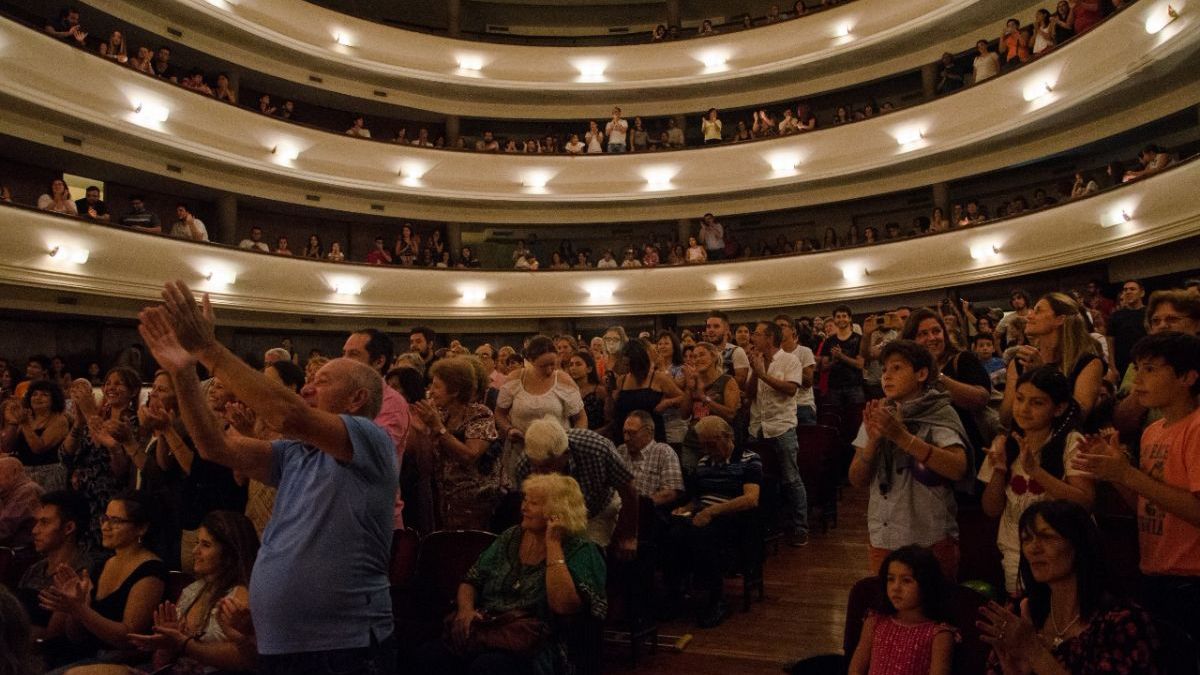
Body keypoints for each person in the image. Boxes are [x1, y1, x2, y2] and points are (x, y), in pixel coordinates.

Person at [137, 280, 397, 674]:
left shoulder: (371, 439)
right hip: (281, 643)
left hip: (344, 644)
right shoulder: (296, 453)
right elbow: (214, 447)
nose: (308, 386)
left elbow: (287, 414)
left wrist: (208, 348)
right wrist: (184, 371)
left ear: (356, 400)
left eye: (323, 381)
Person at [1072, 332, 1200, 642]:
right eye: (1137, 368)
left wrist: (1128, 475)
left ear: (1187, 377)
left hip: (1192, 579)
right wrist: (1115, 472)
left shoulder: (1196, 428)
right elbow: (1145, 508)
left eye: (1150, 369)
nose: (1137, 379)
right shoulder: (1152, 431)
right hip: (1154, 572)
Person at [414, 474, 606, 675]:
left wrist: (553, 544)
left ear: (557, 512)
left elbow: (563, 606)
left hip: (537, 642)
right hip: (490, 629)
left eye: (534, 503)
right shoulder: (511, 536)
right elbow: (471, 580)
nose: (524, 507)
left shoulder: (581, 549)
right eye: (525, 499)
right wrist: (466, 610)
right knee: (430, 655)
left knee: (489, 667)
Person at [978, 500, 1161, 674]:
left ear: (1079, 544)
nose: (1033, 548)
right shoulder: (1021, 608)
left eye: (1047, 537)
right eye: (1027, 539)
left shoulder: (1121, 622)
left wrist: (1036, 654)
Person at [849, 341, 971, 579]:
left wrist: (902, 437)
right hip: (884, 535)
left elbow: (958, 468)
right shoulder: (880, 413)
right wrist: (873, 441)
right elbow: (856, 479)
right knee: (887, 609)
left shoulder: (939, 412)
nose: (887, 376)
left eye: (897, 368)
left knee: (934, 611)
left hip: (929, 537)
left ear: (921, 374)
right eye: (884, 370)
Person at [979, 366, 1094, 595]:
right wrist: (1000, 470)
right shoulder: (1005, 443)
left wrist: (1036, 471)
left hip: (1063, 555)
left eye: (1037, 403)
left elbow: (1085, 502)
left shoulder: (1071, 442)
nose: (1023, 409)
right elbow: (991, 510)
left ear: (1058, 408)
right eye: (1020, 399)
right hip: (1016, 553)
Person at [38, 491, 167, 670]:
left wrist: (81, 610)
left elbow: (129, 638)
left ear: (141, 528)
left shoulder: (151, 570)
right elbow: (76, 635)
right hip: (84, 653)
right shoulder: (102, 564)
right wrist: (73, 608)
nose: (105, 526)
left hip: (120, 661)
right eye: (104, 519)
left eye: (116, 521)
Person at [124, 511, 259, 674]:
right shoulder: (192, 591)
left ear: (230, 553)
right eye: (197, 542)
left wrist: (183, 643)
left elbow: (243, 660)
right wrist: (166, 645)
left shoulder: (240, 595)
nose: (195, 551)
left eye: (206, 545)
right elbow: (161, 664)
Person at [662, 416, 761, 628]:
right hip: (703, 515)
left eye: (711, 444)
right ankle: (675, 594)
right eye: (703, 445)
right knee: (671, 534)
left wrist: (714, 511)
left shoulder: (749, 459)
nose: (707, 450)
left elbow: (751, 498)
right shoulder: (704, 462)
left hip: (733, 517)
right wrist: (686, 509)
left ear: (728, 437)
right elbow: (697, 498)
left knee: (704, 536)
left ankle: (717, 599)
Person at [514, 416, 638, 554]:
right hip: (551, 514)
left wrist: (629, 535)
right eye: (535, 467)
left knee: (588, 553)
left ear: (565, 454)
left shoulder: (597, 449)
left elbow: (629, 492)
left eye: (546, 466)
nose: (540, 473)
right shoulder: (524, 465)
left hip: (596, 511)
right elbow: (528, 506)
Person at [410, 357, 502, 531]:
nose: (431, 392)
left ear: (455, 391)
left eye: (437, 386)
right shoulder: (439, 414)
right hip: (444, 499)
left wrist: (438, 428)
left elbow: (470, 455)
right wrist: (420, 431)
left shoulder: (480, 414)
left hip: (475, 502)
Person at [62, 368, 141, 548]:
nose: (111, 387)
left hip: (106, 499)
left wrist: (89, 413)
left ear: (133, 391)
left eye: (118, 383)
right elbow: (65, 454)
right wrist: (79, 422)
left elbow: (112, 461)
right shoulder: (100, 417)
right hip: (82, 496)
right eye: (108, 383)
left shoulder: (132, 422)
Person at [847, 545, 955, 675]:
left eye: (906, 581)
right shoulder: (874, 622)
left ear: (927, 584)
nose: (895, 588)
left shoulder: (939, 634)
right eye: (891, 579)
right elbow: (856, 670)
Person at [904, 308, 993, 465]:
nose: (932, 338)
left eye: (936, 331)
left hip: (968, 448)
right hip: (926, 452)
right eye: (923, 334)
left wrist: (938, 376)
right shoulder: (910, 372)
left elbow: (981, 399)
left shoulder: (963, 360)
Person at [747, 321, 809, 546]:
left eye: (757, 334)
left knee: (791, 478)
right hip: (758, 427)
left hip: (782, 427)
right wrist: (755, 372)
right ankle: (770, 524)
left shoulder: (790, 360)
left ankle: (801, 526)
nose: (753, 337)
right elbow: (750, 394)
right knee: (760, 480)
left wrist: (763, 375)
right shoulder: (756, 361)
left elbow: (791, 389)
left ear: (770, 338)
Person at [999, 293, 1105, 426]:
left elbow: (1078, 416)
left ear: (1059, 319)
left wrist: (1043, 374)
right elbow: (1005, 418)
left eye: (1038, 311)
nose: (1029, 316)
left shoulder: (1088, 363)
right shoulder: (1021, 361)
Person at [343, 328, 410, 529]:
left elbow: (374, 451)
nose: (344, 360)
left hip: (375, 516)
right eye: (344, 353)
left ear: (379, 362)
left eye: (353, 354)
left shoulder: (391, 402)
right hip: (345, 512)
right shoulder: (342, 396)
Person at [495, 336, 586, 484]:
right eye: (543, 366)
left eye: (553, 364)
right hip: (521, 451)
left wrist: (571, 442)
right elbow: (499, 413)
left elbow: (581, 418)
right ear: (530, 360)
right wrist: (508, 429)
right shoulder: (515, 379)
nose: (549, 370)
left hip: (555, 455)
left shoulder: (563, 380)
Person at [16, 490, 92, 640]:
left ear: (69, 528)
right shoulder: (36, 569)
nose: (34, 530)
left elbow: (53, 636)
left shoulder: (82, 573)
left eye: (44, 522)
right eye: (37, 522)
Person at [611, 339, 685, 447]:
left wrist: (667, 403)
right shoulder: (621, 380)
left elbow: (681, 397)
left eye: (630, 365)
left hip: (650, 435)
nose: (627, 368)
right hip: (624, 435)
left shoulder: (658, 378)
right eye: (626, 364)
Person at [2, 380, 70, 491]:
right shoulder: (27, 417)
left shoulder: (59, 420)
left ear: (54, 399)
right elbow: (7, 447)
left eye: (44, 395)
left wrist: (25, 424)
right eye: (34, 394)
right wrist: (13, 423)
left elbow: (38, 448)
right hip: (23, 475)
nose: (38, 398)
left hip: (48, 475)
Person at [616, 410, 683, 507]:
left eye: (632, 433)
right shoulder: (621, 450)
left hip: (649, 512)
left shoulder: (663, 452)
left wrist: (640, 505)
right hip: (620, 509)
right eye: (624, 432)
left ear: (648, 432)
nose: (626, 438)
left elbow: (671, 492)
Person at [0, 457, 41, 548]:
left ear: (14, 472)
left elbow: (5, 528)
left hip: (25, 553)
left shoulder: (27, 491)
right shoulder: (9, 493)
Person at [567, 350, 609, 436]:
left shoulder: (599, 391)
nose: (573, 368)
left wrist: (592, 435)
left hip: (596, 436)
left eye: (578, 364)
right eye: (571, 364)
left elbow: (609, 421)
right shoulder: (567, 391)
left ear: (589, 369)